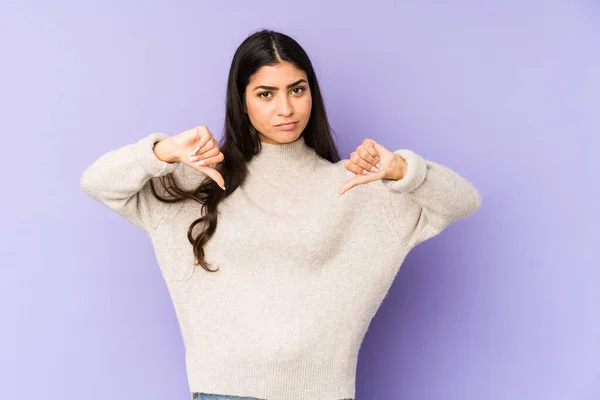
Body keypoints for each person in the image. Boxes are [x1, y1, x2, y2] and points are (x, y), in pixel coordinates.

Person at [80, 29, 482, 400]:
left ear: (313, 94)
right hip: (223, 392)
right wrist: (160, 152)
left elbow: (463, 201)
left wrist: (402, 170)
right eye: (266, 94)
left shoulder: (355, 186)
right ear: (242, 101)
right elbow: (97, 183)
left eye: (297, 89)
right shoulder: (198, 183)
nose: (286, 108)